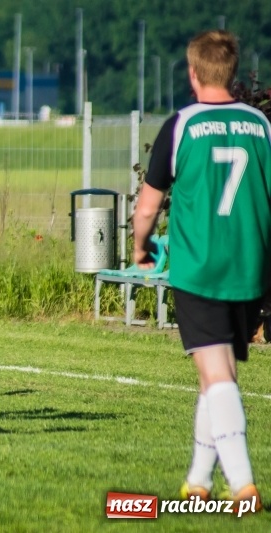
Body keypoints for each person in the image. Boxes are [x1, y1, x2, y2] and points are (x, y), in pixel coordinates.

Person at [134, 30, 268, 508]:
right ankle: (198, 483)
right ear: (231, 73)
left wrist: (139, 247)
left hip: (200, 267)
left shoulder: (183, 124)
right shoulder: (261, 125)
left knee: (218, 376)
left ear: (193, 73)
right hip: (250, 268)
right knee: (219, 370)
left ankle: (244, 484)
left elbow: (148, 206)